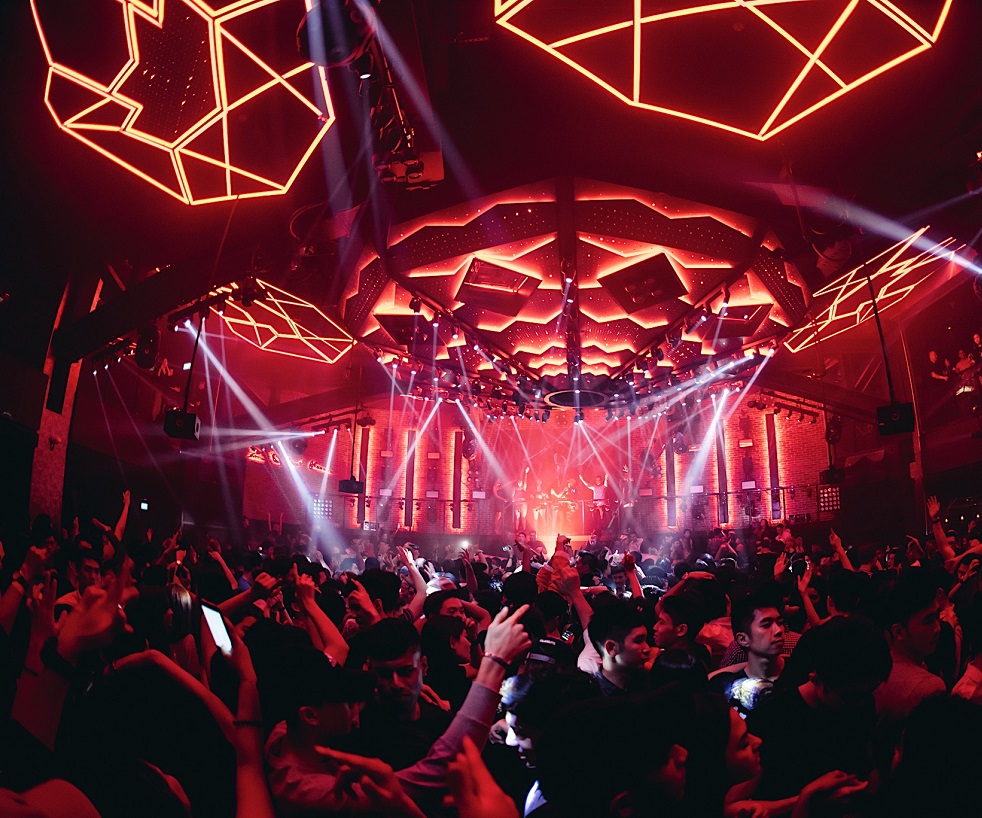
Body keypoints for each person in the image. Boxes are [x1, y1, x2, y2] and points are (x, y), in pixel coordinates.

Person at [748, 616, 892, 801]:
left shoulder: (863, 703)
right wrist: (814, 798)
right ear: (816, 678)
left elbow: (864, 765)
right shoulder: (771, 720)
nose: (860, 704)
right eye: (850, 698)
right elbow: (751, 804)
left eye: (868, 692)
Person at [873, 569, 946, 722]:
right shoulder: (928, 688)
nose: (938, 628)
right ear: (899, 632)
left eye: (937, 616)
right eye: (928, 621)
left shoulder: (880, 667)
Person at [710, 584, 787, 713]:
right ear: (743, 639)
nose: (779, 630)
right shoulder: (726, 688)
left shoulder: (801, 675)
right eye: (766, 625)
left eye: (780, 622)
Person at [588, 598, 650, 695]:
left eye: (646, 640)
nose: (647, 649)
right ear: (611, 648)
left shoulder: (651, 684)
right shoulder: (592, 696)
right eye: (638, 641)